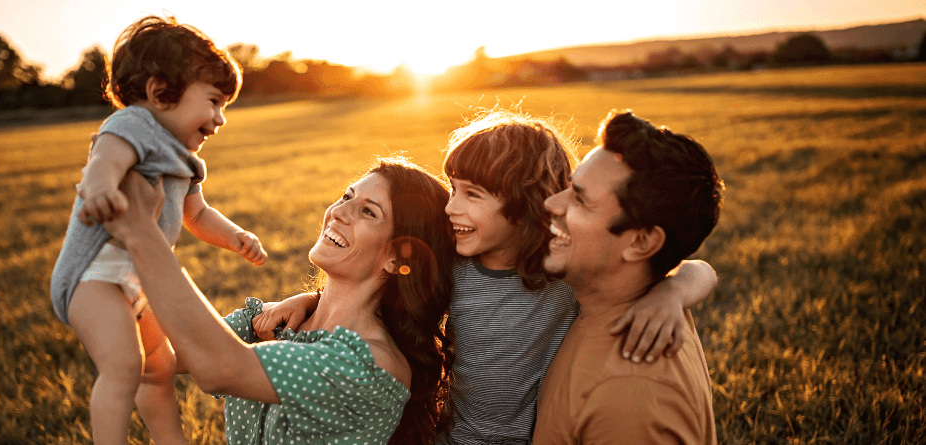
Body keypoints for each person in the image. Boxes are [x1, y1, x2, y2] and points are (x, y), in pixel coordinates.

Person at [257, 109, 718, 444]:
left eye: (472, 194)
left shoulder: (558, 272)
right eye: (453, 189)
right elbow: (376, 287)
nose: (450, 207)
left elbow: (692, 267)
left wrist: (673, 291)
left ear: (526, 206)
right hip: (453, 435)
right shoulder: (456, 264)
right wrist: (310, 302)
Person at [102, 158, 455, 444]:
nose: (339, 212)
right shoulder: (279, 322)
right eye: (347, 197)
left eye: (368, 212)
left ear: (395, 257)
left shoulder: (372, 364)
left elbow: (217, 367)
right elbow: (158, 357)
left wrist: (145, 237)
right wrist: (125, 278)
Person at [49, 16, 267, 444]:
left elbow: (197, 215)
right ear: (159, 93)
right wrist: (100, 193)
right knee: (124, 365)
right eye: (213, 101)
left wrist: (235, 236)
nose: (220, 119)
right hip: (93, 277)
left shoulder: (186, 160)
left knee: (159, 368)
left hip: (138, 278)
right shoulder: (132, 125)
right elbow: (103, 163)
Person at [533, 110, 723, 444]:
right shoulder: (634, 302)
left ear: (641, 242)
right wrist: (676, 289)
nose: (551, 203)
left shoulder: (629, 396)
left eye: (580, 199)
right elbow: (700, 269)